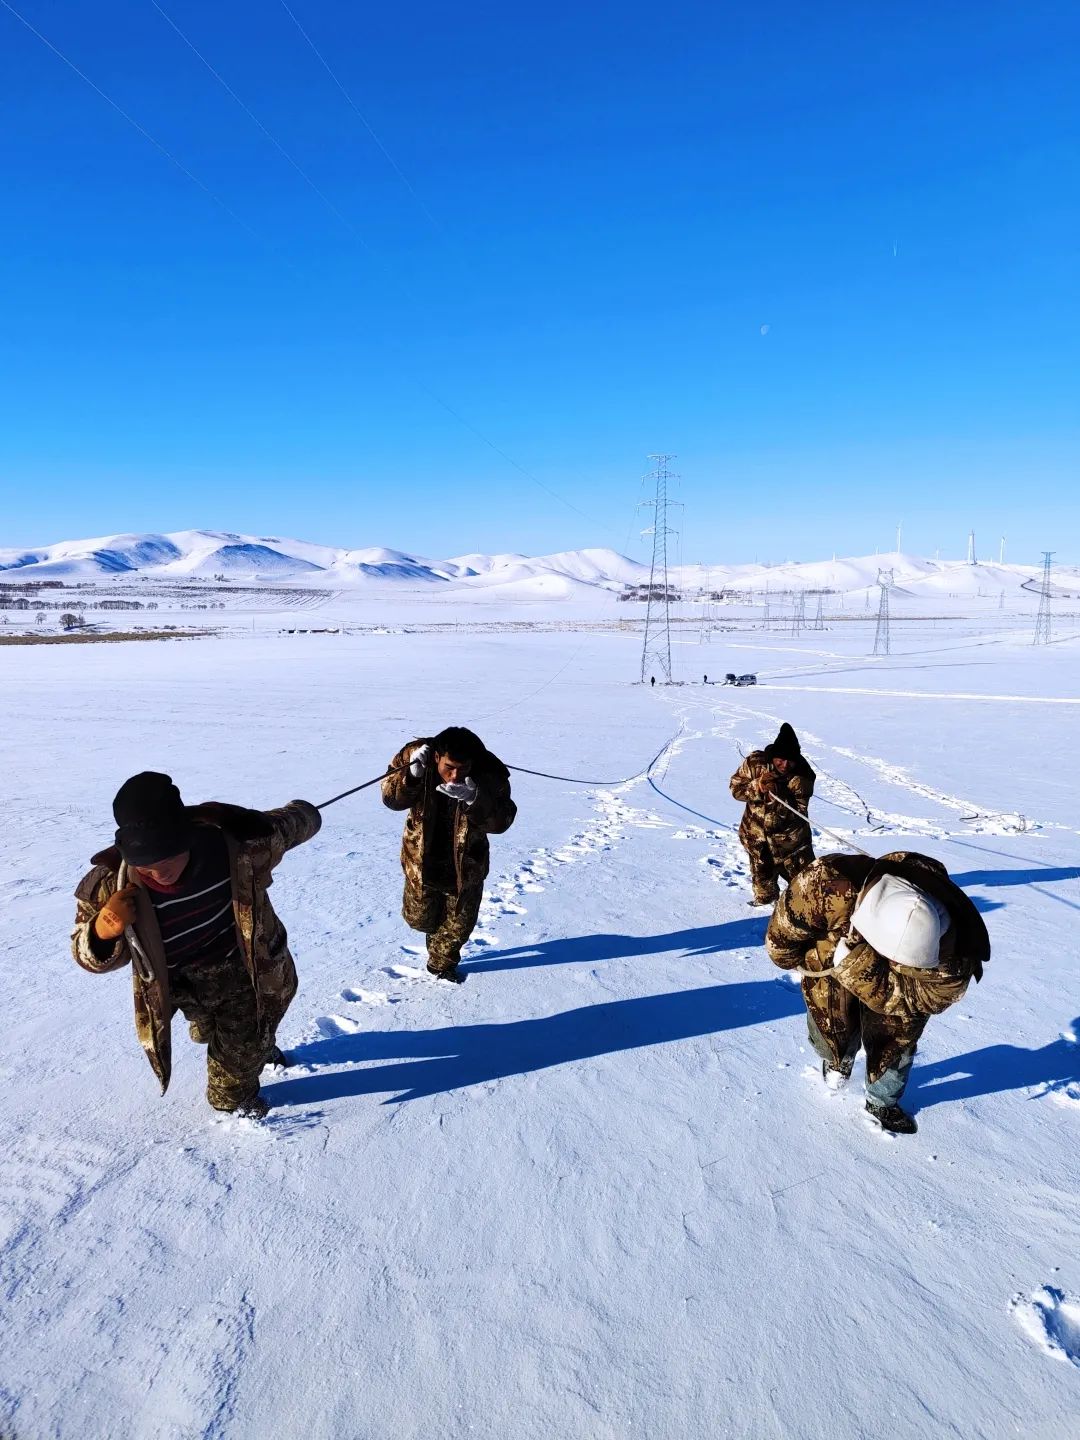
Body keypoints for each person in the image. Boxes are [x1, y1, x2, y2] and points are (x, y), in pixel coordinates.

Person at [71, 771, 321, 1118]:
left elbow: (299, 822)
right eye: (147, 867)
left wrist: (288, 813)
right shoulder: (109, 885)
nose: (160, 875)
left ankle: (232, 1097)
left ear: (186, 837)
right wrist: (101, 931)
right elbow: (85, 956)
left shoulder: (237, 847)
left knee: (246, 1040)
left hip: (239, 967)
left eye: (167, 860)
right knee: (210, 1031)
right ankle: (224, 1035)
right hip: (175, 984)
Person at [765, 850, 990, 1133]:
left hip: (893, 992)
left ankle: (881, 1102)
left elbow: (916, 1002)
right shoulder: (828, 882)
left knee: (896, 1041)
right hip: (829, 960)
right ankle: (837, 1061)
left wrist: (857, 968)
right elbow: (781, 940)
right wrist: (811, 961)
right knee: (829, 1021)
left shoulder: (957, 960)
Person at [382, 726, 517, 983]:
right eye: (449, 768)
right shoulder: (414, 755)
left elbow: (502, 821)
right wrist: (411, 776)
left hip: (467, 865)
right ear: (436, 758)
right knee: (419, 919)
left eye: (463, 769)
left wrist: (475, 799)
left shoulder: (490, 771)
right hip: (421, 861)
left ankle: (440, 966)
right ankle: (432, 930)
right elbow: (390, 799)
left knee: (457, 928)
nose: (455, 776)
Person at [729, 722, 815, 905]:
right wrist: (757, 787)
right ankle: (764, 904)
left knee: (807, 890)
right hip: (756, 835)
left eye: (790, 760)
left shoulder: (803, 776)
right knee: (762, 881)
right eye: (780, 760)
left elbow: (800, 812)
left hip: (791, 842)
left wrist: (780, 795)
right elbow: (735, 789)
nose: (785, 765)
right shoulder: (755, 763)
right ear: (773, 756)